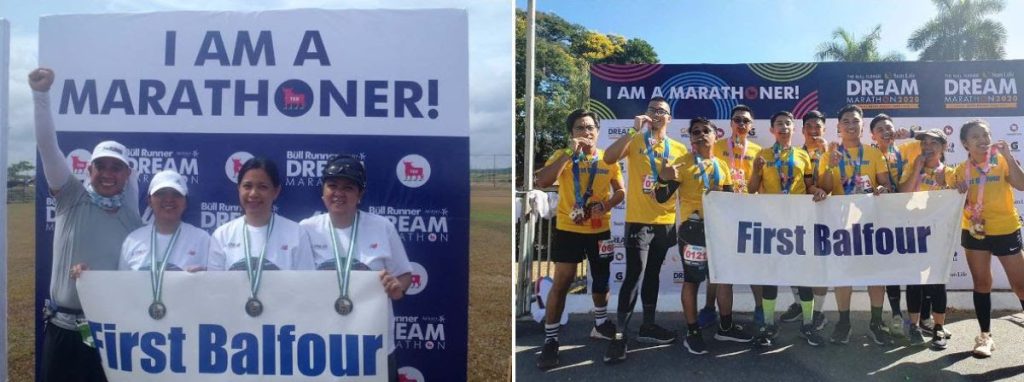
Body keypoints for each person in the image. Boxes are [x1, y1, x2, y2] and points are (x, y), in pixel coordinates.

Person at [30, 67, 144, 382]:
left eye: (117, 168)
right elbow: (47, 148)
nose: (108, 174)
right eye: (102, 166)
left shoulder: (133, 217)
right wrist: (40, 96)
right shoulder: (71, 196)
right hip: (65, 329)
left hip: (110, 332)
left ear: (127, 175)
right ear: (89, 169)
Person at [300, 154, 412, 381]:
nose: (338, 193)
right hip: (321, 342)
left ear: (360, 194)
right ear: (323, 191)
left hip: (373, 342)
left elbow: (405, 274)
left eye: (348, 187)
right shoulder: (306, 229)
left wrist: (396, 286)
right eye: (332, 185)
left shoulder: (382, 227)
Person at [533, 110, 625, 369]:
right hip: (569, 229)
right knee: (562, 281)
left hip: (599, 229)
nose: (586, 132)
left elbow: (620, 191)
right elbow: (542, 181)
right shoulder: (562, 157)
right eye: (579, 128)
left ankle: (599, 323)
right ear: (571, 133)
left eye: (590, 127)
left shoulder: (608, 158)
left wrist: (606, 205)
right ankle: (551, 340)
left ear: (597, 131)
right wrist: (567, 154)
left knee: (601, 280)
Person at [602, 96, 688, 363]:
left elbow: (679, 186)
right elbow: (608, 157)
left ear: (670, 119)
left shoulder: (677, 148)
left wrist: (668, 178)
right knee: (633, 275)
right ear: (646, 114)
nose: (657, 114)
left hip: (665, 222)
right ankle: (619, 336)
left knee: (652, 275)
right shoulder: (636, 139)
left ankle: (648, 326)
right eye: (652, 110)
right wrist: (632, 129)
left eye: (662, 111)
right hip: (637, 221)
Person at [655, 117, 751, 355]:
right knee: (692, 281)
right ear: (690, 137)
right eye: (694, 132)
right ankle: (693, 331)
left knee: (723, 279)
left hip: (719, 229)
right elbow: (660, 197)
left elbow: (729, 200)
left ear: (714, 135)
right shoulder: (682, 163)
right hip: (693, 231)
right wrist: (663, 177)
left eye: (704, 131)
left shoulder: (722, 165)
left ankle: (725, 327)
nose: (699, 134)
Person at [746, 111, 828, 347]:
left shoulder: (803, 155)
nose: (783, 127)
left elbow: (809, 185)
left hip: (799, 223)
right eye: (779, 124)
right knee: (771, 277)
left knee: (803, 276)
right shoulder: (761, 155)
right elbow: (752, 190)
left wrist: (818, 192)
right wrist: (756, 172)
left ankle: (808, 325)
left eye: (787, 124)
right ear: (772, 130)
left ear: (794, 129)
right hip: (772, 225)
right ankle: (769, 326)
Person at [950, 120, 1024, 358]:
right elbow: (947, 193)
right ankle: (985, 336)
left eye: (986, 135)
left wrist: (1010, 157)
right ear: (965, 143)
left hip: (1006, 229)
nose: (983, 140)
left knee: (1021, 285)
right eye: (975, 136)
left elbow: (1021, 185)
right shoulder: (960, 170)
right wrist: (955, 188)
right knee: (982, 284)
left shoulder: (1001, 161)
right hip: (975, 231)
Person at [825, 104, 893, 345]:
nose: (851, 125)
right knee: (843, 275)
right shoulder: (830, 153)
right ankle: (844, 322)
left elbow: (885, 185)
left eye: (855, 121)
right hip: (840, 225)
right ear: (838, 127)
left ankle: (876, 322)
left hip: (870, 223)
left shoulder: (874, 154)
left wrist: (883, 189)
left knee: (876, 274)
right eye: (846, 121)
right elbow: (822, 189)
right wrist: (831, 165)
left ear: (862, 127)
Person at [702, 105, 765, 328]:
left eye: (745, 121)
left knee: (752, 266)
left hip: (747, 215)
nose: (741, 124)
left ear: (751, 125)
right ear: (730, 123)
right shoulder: (717, 146)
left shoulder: (758, 151)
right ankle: (709, 308)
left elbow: (757, 187)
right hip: (720, 213)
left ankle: (760, 309)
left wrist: (756, 172)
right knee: (717, 267)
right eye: (737, 120)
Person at [897, 128, 957, 349]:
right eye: (924, 143)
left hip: (939, 235)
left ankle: (938, 327)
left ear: (943, 148)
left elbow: (959, 201)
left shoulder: (951, 171)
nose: (928, 147)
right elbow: (902, 195)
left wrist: (946, 183)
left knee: (937, 282)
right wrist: (916, 170)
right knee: (914, 281)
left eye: (934, 143)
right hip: (913, 233)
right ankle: (913, 326)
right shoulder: (912, 168)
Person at [208, 157, 314, 271]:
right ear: (239, 189)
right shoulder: (222, 235)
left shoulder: (296, 234)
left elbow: (305, 284)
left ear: (276, 192)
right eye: (247, 186)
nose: (253, 194)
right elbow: (215, 286)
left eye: (262, 187)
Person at [778, 110, 832, 333]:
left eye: (817, 126)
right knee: (795, 262)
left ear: (824, 130)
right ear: (802, 130)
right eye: (809, 126)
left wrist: (827, 155)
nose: (813, 130)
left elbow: (836, 184)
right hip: (797, 217)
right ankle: (800, 304)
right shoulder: (794, 153)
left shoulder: (833, 152)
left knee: (819, 266)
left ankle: (818, 311)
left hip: (826, 216)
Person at [120, 169, 210, 272]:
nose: (168, 199)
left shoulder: (202, 239)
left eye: (176, 194)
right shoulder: (132, 240)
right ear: (149, 201)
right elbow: (121, 286)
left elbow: (215, 284)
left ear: (185, 202)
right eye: (161, 193)